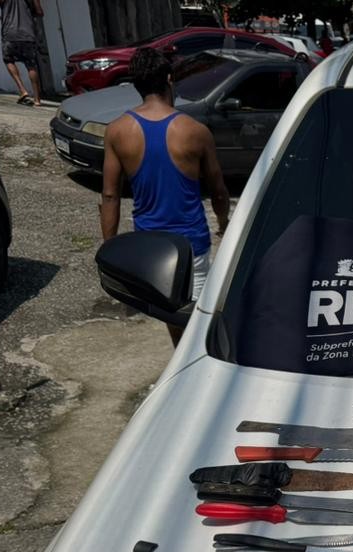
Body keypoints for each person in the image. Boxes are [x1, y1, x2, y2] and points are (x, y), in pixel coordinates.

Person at [100, 47, 229, 346]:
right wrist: (223, 222)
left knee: (172, 318)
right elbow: (219, 191)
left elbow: (110, 195)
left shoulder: (117, 131)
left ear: (136, 84)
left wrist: (110, 250)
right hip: (192, 245)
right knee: (200, 324)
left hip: (151, 248)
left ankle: (183, 364)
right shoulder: (195, 131)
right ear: (169, 79)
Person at [0, 0, 44, 106]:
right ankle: (37, 100)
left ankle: (22, 90)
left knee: (8, 60)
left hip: (10, 33)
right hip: (28, 33)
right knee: (31, 65)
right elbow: (39, 11)